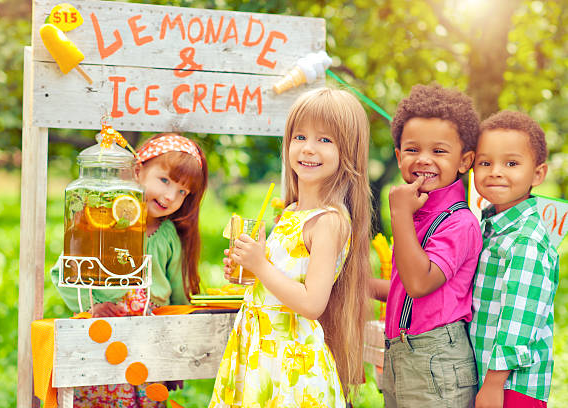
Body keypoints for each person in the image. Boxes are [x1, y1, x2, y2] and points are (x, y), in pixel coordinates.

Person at [208, 88, 372, 407]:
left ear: (348, 152)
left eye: (325, 140)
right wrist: (249, 274)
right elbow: (282, 280)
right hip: (259, 349)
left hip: (291, 362)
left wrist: (261, 267)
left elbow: (312, 303)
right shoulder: (291, 211)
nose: (308, 148)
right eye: (300, 137)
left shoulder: (329, 221)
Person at [50, 133, 208, 407]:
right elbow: (62, 272)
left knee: (146, 399)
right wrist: (94, 307)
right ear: (138, 171)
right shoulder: (102, 222)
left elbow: (179, 296)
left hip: (149, 341)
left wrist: (179, 350)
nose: (171, 196)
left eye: (182, 192)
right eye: (165, 180)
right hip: (103, 333)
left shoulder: (168, 235)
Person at [371, 84, 482, 407]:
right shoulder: (419, 213)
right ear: (398, 156)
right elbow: (403, 286)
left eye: (439, 151)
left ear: (465, 161)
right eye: (412, 150)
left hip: (436, 360)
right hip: (401, 352)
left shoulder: (460, 223)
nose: (423, 160)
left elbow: (419, 283)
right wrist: (356, 283)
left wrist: (399, 214)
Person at [470, 111, 559, 408]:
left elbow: (519, 318)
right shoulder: (490, 227)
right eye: (485, 163)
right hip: (487, 375)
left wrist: (494, 384)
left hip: (512, 386)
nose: (495, 171)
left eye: (511, 163)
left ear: (538, 174)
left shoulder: (525, 240)